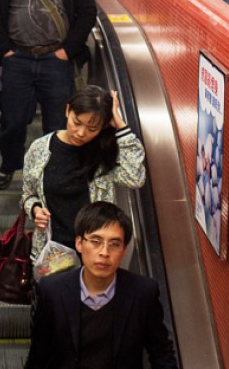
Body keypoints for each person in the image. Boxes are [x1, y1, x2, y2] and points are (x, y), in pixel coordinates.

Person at [23, 201, 182, 369]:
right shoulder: (52, 290)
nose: (104, 253)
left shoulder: (143, 293)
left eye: (114, 244)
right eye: (96, 242)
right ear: (79, 244)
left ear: (123, 251)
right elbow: (37, 356)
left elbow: (161, 354)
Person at [0, 0, 97, 190]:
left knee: (57, 121)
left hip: (55, 59)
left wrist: (68, 51)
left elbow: (87, 12)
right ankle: (10, 165)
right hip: (18, 59)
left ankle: (53, 171)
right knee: (12, 121)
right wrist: (5, 51)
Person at [21, 85, 145, 260]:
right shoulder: (40, 149)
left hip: (96, 253)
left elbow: (135, 179)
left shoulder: (105, 153)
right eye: (76, 122)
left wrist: (119, 124)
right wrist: (34, 210)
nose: (80, 133)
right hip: (52, 252)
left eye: (92, 129)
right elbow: (28, 194)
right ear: (67, 110)